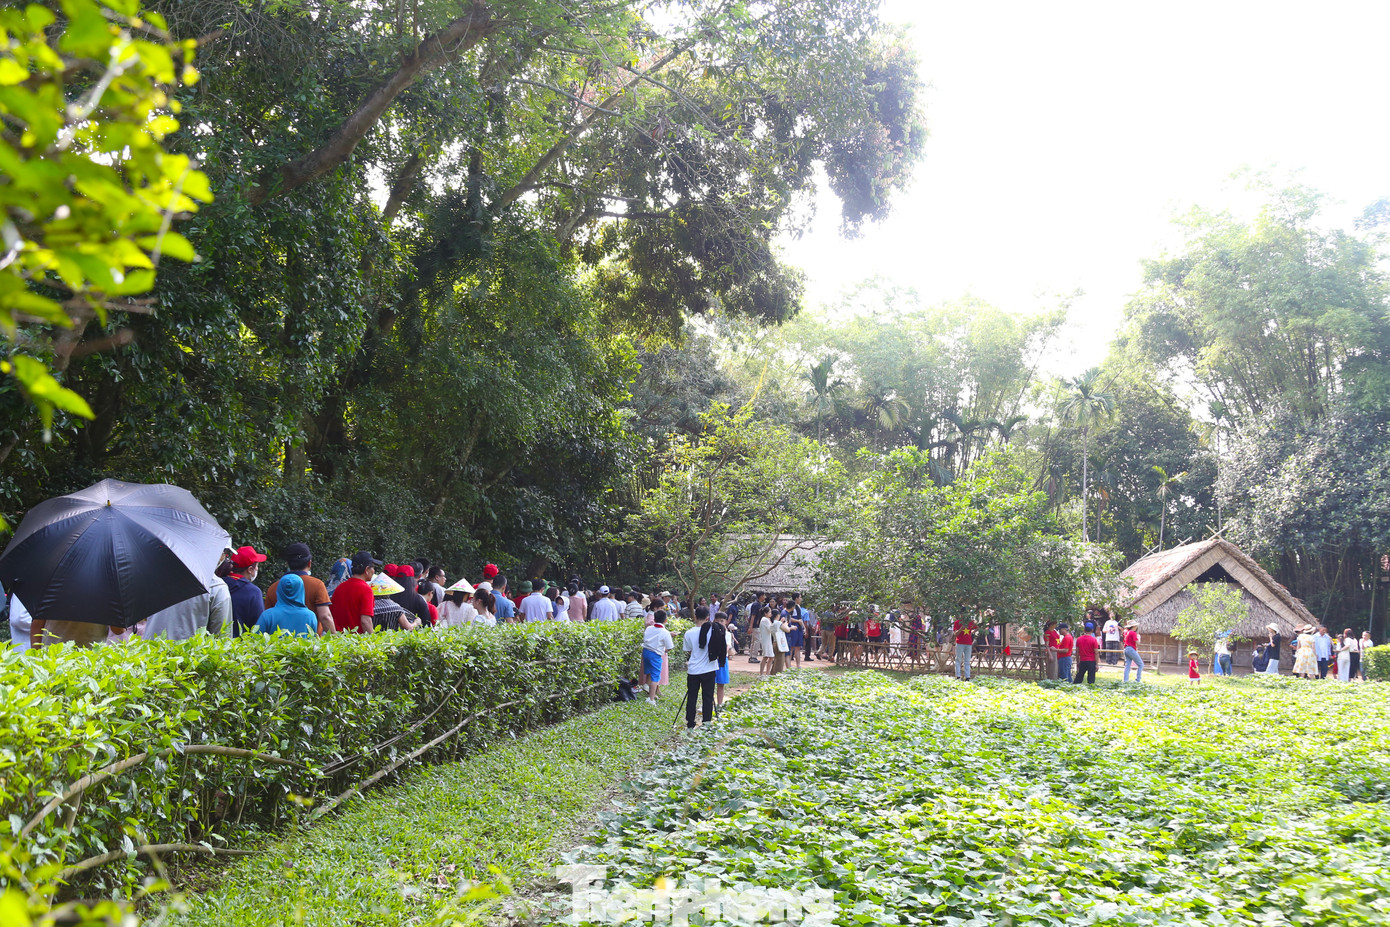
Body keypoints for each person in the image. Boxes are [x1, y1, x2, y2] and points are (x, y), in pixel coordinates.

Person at [265, 543, 334, 635]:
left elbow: (267, 619)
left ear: (288, 563)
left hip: (279, 644)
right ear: (309, 563)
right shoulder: (317, 585)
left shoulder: (274, 588)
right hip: (310, 643)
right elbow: (325, 616)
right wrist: (335, 639)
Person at [143, 574, 232, 641]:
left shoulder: (153, 577)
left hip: (149, 658)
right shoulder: (216, 586)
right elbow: (222, 640)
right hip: (188, 662)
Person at [683, 607, 722, 728]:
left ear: (695, 617)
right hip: (709, 669)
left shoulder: (689, 632)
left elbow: (688, 650)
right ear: (707, 618)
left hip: (693, 670)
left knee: (692, 697)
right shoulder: (713, 631)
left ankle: (690, 724)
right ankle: (707, 723)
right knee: (708, 696)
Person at [330, 550, 380, 634]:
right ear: (367, 569)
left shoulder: (340, 587)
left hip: (338, 641)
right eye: (373, 568)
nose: (374, 571)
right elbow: (365, 621)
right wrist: (373, 642)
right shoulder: (366, 590)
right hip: (356, 641)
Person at [225, 545, 267, 636]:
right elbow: (258, 627)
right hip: (241, 646)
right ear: (250, 570)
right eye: (257, 566)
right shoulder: (253, 592)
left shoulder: (219, 584)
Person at [642, 610, 675, 703]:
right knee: (655, 677)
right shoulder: (665, 632)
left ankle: (646, 687)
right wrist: (663, 650)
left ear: (654, 619)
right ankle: (651, 699)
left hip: (645, 652)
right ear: (666, 620)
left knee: (648, 672)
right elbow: (669, 647)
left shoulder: (649, 629)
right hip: (655, 655)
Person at [714, 611, 733, 712]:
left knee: (721, 684)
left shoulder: (727, 634)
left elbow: (728, 646)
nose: (720, 623)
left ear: (726, 622)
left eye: (722, 621)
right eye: (718, 621)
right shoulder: (711, 632)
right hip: (712, 660)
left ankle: (719, 704)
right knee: (709, 683)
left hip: (722, 660)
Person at [952, 614, 977, 681]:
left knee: (967, 660)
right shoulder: (957, 622)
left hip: (968, 643)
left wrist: (971, 631)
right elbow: (955, 634)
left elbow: (977, 627)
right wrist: (961, 628)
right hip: (960, 643)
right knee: (958, 660)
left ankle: (967, 677)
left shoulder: (969, 622)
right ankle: (958, 676)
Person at [757, 602, 777, 676]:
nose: (770, 614)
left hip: (767, 639)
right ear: (765, 613)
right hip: (766, 640)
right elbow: (770, 629)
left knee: (769, 657)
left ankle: (766, 673)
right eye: (769, 612)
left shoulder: (765, 619)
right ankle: (763, 673)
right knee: (767, 657)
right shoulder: (765, 620)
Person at [785, 603, 804, 670]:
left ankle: (798, 664)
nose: (801, 599)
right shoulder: (789, 609)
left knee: (798, 646)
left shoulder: (798, 606)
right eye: (799, 597)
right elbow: (789, 618)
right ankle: (788, 664)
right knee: (791, 646)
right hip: (793, 627)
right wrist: (797, 621)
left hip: (798, 627)